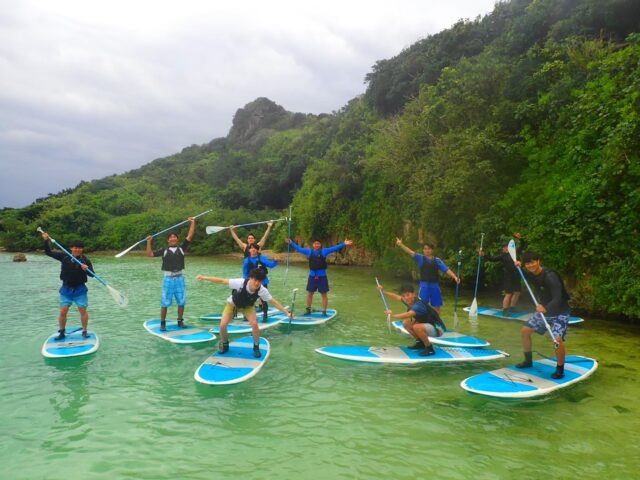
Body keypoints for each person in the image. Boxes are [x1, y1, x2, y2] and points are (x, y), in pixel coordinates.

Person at [196, 267, 291, 357]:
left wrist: (286, 313)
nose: (257, 283)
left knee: (254, 324)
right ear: (250, 278)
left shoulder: (262, 290)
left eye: (259, 281)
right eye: (255, 280)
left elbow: (273, 301)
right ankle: (225, 344)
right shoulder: (240, 282)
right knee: (223, 325)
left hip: (248, 307)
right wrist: (204, 277)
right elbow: (222, 281)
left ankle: (256, 347)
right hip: (233, 305)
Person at [515, 251, 571, 379]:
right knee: (525, 331)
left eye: (533, 262)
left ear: (538, 261)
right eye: (527, 263)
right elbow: (523, 274)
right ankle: (528, 361)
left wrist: (546, 308)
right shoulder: (531, 274)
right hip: (544, 311)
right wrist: (518, 266)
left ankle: (560, 369)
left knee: (557, 339)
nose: (530, 265)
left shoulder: (550, 276)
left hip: (560, 311)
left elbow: (558, 297)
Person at [41, 231, 94, 340]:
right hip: (66, 289)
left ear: (82, 249)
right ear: (71, 248)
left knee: (82, 310)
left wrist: (86, 269)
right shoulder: (64, 256)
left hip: (80, 289)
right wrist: (46, 240)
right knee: (63, 310)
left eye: (79, 248)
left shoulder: (85, 260)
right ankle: (62, 332)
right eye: (75, 247)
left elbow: (92, 275)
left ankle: (84, 331)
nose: (77, 249)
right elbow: (48, 252)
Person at [146, 217, 196, 331]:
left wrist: (192, 223)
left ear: (177, 240)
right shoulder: (164, 250)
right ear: (168, 240)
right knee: (165, 302)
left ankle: (180, 321)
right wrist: (149, 241)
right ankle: (162, 323)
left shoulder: (182, 248)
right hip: (168, 278)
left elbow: (190, 236)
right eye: (171, 237)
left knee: (181, 301)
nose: (173, 238)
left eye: (175, 237)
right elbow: (150, 254)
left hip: (179, 278)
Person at [286, 237, 353, 315]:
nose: (316, 245)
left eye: (318, 243)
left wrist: (344, 244)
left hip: (322, 277)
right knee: (310, 293)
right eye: (315, 243)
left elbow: (334, 248)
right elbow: (299, 249)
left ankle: (324, 311)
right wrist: (291, 243)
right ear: (313, 245)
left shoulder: (324, 251)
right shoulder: (308, 252)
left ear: (320, 245)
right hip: (312, 276)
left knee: (324, 294)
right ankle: (308, 310)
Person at [378, 283, 446, 356]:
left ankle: (430, 349)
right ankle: (421, 343)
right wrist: (383, 292)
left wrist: (392, 315)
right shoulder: (408, 300)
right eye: (403, 296)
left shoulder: (418, 305)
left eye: (408, 295)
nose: (406, 298)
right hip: (428, 325)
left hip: (438, 329)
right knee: (406, 323)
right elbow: (397, 297)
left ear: (414, 294)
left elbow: (408, 314)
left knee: (416, 327)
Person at [395, 238, 460, 314]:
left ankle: (436, 323)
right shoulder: (420, 258)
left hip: (435, 286)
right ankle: (419, 321)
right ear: (423, 250)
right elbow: (410, 252)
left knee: (437, 306)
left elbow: (446, 269)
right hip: (424, 286)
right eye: (425, 249)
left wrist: (455, 277)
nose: (427, 250)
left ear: (432, 250)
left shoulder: (437, 260)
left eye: (429, 249)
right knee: (422, 305)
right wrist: (401, 245)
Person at [480, 232, 526, 316]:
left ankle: (512, 308)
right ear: (503, 249)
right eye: (504, 247)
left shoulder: (515, 252)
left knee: (517, 292)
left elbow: (523, 245)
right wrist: (484, 255)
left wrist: (520, 238)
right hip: (508, 277)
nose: (506, 248)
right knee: (509, 293)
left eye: (507, 247)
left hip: (516, 275)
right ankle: (505, 310)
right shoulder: (502, 256)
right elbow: (492, 259)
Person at [243, 244, 279, 321]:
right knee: (248, 299)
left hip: (262, 282)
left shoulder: (262, 258)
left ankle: (265, 315)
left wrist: (275, 261)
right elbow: (245, 273)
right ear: (249, 250)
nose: (253, 250)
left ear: (257, 250)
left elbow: (270, 265)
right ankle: (247, 315)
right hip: (251, 283)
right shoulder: (246, 260)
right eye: (251, 248)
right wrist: (246, 283)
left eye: (255, 248)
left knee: (264, 299)